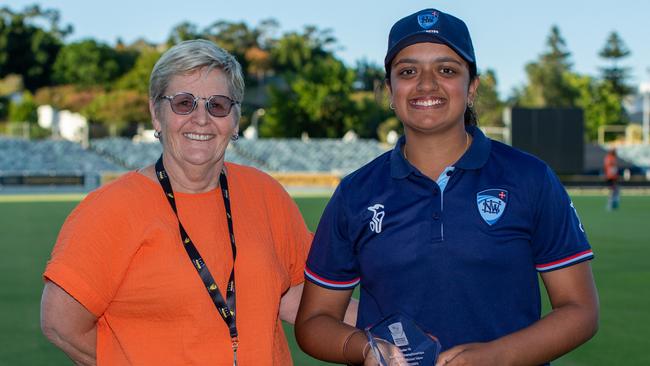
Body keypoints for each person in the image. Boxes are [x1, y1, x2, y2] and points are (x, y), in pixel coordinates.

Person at [295, 8, 599, 366]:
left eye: (447, 70)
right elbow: (314, 322)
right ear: (389, 90)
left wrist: (496, 357)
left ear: (472, 87)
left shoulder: (530, 178)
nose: (426, 84)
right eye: (408, 71)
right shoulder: (355, 193)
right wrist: (366, 349)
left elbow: (580, 310)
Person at [40, 39, 355, 365]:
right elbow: (60, 324)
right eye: (183, 103)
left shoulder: (264, 193)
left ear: (235, 119)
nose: (201, 118)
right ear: (156, 114)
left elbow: (294, 294)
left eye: (217, 105)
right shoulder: (110, 209)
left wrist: (388, 326)